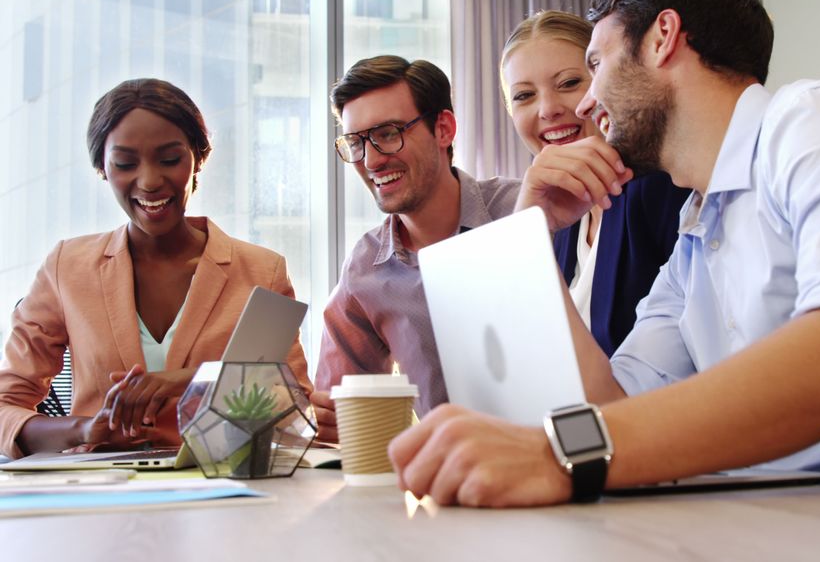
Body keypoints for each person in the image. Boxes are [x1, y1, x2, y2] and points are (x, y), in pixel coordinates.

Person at [388, 0, 820, 507]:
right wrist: (533, 242)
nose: (587, 100)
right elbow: (614, 406)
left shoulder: (818, 121)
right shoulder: (697, 233)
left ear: (663, 37)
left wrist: (559, 455)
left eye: (594, 65)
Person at [0, 78, 310, 459]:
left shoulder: (262, 272)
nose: (149, 181)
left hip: (216, 482)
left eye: (169, 160)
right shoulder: (67, 267)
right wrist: (84, 428)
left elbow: (293, 409)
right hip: (100, 483)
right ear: (102, 168)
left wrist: (188, 381)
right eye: (125, 164)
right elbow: (5, 406)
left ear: (198, 158)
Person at [312, 56, 521, 443]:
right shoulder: (365, 269)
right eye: (356, 142)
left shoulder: (525, 211)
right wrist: (332, 420)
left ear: (443, 129)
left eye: (388, 133)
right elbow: (336, 416)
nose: (372, 160)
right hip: (445, 473)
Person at [501, 10, 689, 356]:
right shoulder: (560, 207)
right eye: (524, 96)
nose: (547, 109)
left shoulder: (658, 185)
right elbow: (518, 348)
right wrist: (528, 226)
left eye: (569, 83)